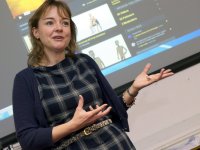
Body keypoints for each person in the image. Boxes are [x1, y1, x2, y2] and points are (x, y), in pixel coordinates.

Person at [12, 1, 174, 150]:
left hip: (117, 144)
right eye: (50, 22)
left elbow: (109, 110)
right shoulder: (25, 80)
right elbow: (28, 139)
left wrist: (133, 89)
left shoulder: (85, 61)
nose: (59, 28)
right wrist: (73, 125)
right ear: (36, 32)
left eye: (65, 22)